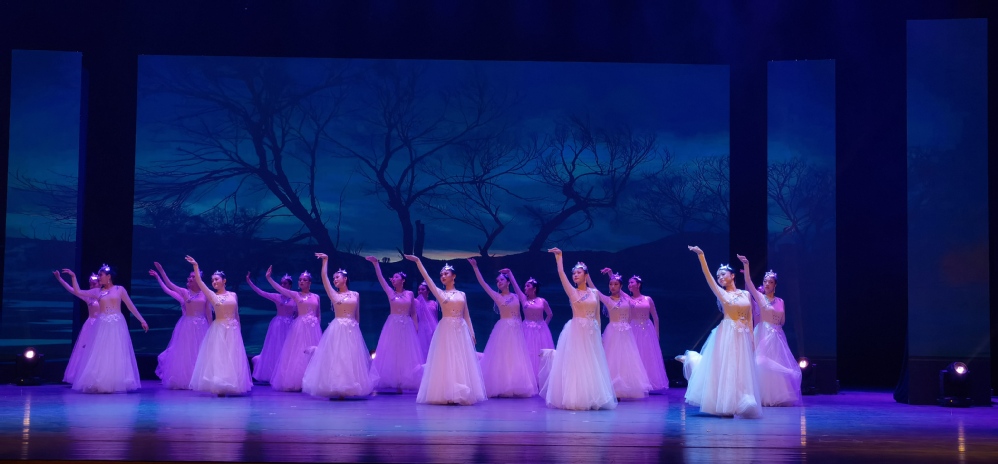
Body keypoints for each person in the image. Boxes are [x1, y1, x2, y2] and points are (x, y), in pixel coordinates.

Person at [680, 247, 761, 418]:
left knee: (741, 370)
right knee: (727, 368)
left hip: (742, 335)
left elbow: (749, 319)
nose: (720, 277)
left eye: (723, 274)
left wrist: (752, 340)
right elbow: (708, 276)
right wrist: (701, 256)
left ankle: (742, 401)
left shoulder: (746, 294)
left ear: (733, 276)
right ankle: (726, 404)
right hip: (727, 333)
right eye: (718, 276)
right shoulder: (722, 293)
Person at [537, 249, 616, 410]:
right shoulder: (572, 292)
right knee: (578, 364)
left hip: (592, 332)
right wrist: (559, 258)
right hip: (577, 331)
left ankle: (593, 396)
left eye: (579, 273)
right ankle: (577, 397)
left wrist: (599, 334)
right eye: (574, 273)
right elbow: (561, 274)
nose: (575, 275)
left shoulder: (594, 293)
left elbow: (597, 316)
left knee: (592, 364)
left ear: (586, 275)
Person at [404, 255, 487, 405]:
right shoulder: (440, 293)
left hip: (461, 330)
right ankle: (447, 392)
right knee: (447, 360)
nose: (443, 276)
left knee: (460, 360)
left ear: (453, 276)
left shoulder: (462, 294)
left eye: (446, 273)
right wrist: (418, 262)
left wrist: (472, 333)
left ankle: (461, 391)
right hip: (446, 330)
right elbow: (427, 278)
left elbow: (466, 315)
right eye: (441, 274)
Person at [301, 254, 373, 398]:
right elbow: (324, 278)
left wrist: (356, 330)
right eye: (334, 278)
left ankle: (350, 386)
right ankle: (337, 386)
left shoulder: (355, 294)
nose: (334, 280)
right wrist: (325, 261)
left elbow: (357, 315)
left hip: (352, 329)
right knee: (338, 357)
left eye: (337, 277)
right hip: (338, 328)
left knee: (350, 358)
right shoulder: (334, 294)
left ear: (345, 279)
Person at [69, 264, 149, 393]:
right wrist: (73, 277)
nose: (99, 278)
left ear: (109, 276)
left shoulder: (119, 289)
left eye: (101, 275)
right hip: (102, 325)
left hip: (117, 324)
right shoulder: (97, 292)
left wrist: (142, 320)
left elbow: (130, 306)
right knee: (101, 352)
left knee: (116, 352)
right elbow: (78, 291)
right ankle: (100, 381)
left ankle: (115, 381)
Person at [469, 258, 537, 397]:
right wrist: (475, 267)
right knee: (503, 357)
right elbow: (483, 283)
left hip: (516, 330)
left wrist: (510, 274)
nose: (499, 282)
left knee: (516, 357)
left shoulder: (516, 296)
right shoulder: (497, 296)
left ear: (508, 282)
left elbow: (519, 312)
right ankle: (501, 385)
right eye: (497, 281)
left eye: (501, 280)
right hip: (504, 329)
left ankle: (515, 385)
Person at [184, 256, 253, 395]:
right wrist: (196, 266)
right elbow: (200, 282)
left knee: (232, 357)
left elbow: (236, 314)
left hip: (233, 329)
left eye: (216, 279)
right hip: (219, 329)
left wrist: (238, 330)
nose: (214, 282)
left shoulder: (233, 295)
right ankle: (220, 384)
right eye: (212, 280)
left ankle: (233, 385)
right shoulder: (211, 295)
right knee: (220, 357)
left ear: (224, 281)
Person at [739, 259, 802, 406]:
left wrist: (777, 330)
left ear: (775, 285)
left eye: (770, 282)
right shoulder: (760, 298)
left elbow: (782, 320)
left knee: (775, 362)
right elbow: (748, 282)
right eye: (765, 281)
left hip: (777, 336)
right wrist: (746, 266)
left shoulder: (780, 301)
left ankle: (778, 395)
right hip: (763, 334)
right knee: (760, 361)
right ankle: (762, 392)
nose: (767, 284)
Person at [591, 269, 651, 399]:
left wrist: (611, 274)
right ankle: (612, 389)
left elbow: (629, 314)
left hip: (626, 333)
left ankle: (626, 387)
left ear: (621, 286)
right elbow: (595, 289)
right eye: (610, 284)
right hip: (613, 332)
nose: (612, 286)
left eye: (616, 284)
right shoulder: (607, 300)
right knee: (612, 359)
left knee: (627, 360)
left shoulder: (626, 299)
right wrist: (587, 276)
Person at [366, 256, 423, 392]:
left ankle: (404, 379)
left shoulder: (410, 294)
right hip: (393, 325)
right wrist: (376, 264)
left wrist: (416, 326)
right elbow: (381, 279)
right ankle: (393, 379)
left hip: (407, 325)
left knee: (405, 352)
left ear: (403, 280)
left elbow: (413, 312)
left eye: (396, 277)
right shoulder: (390, 292)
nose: (393, 279)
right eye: (393, 277)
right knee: (392, 351)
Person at [150, 264, 211, 389]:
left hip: (201, 326)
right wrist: (161, 272)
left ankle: (200, 378)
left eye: (193, 276)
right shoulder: (184, 292)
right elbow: (169, 286)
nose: (190, 278)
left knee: (200, 352)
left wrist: (212, 331)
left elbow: (209, 315)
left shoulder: (205, 294)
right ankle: (186, 378)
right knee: (186, 352)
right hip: (187, 326)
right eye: (190, 276)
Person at [268, 267, 323, 392]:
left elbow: (318, 314)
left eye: (304, 280)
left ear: (309, 283)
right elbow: (280, 289)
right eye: (300, 280)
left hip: (313, 328)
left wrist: (317, 327)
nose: (301, 281)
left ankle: (313, 381)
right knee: (299, 353)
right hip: (300, 327)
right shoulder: (296, 295)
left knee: (314, 353)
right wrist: (269, 278)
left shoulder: (316, 297)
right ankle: (298, 380)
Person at [502, 269, 554, 382]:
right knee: (527, 354)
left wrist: (544, 325)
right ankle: (528, 380)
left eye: (528, 286)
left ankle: (541, 380)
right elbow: (515, 286)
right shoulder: (523, 299)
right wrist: (509, 273)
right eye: (525, 286)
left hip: (540, 331)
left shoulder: (542, 301)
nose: (525, 287)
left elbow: (550, 314)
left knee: (540, 354)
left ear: (534, 288)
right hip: (527, 330)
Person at [246, 271, 298, 383]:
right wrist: (250, 282)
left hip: (291, 325)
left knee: (288, 349)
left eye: (285, 283)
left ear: (290, 285)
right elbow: (261, 292)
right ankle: (272, 372)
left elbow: (298, 312)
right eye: (281, 283)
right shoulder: (277, 297)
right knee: (276, 347)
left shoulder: (295, 297)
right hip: (278, 325)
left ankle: (285, 374)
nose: (282, 285)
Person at [626, 275, 669, 392]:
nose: (629, 285)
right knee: (636, 355)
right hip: (634, 329)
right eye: (629, 283)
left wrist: (656, 334)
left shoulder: (647, 299)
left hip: (647, 329)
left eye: (632, 282)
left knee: (648, 355)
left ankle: (650, 383)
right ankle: (637, 382)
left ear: (638, 284)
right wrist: (611, 275)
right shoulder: (628, 299)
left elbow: (655, 317)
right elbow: (619, 292)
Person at [56, 271, 100, 384]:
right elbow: (73, 290)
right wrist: (60, 279)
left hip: (101, 326)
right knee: (84, 351)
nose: (92, 286)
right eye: (90, 284)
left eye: (94, 284)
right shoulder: (88, 298)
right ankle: (83, 376)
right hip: (90, 326)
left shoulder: (104, 296)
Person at [413, 281, 439, 361]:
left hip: (433, 327)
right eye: (419, 290)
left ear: (428, 291)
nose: (420, 291)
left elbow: (435, 317)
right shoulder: (416, 302)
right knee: (422, 348)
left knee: (433, 348)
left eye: (423, 289)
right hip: (421, 328)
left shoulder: (433, 303)